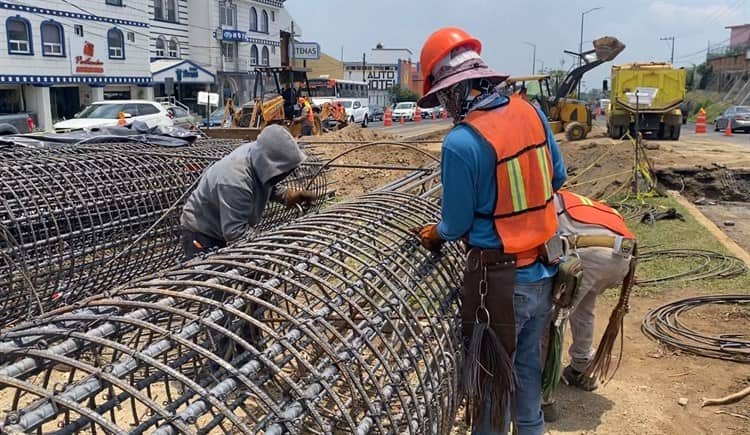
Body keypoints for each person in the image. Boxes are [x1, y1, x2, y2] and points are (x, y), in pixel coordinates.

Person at [412, 27, 567, 435]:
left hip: (497, 281)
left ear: (460, 90)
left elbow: (456, 223)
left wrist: (436, 234)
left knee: (489, 390)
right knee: (528, 377)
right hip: (544, 271)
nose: (445, 107)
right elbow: (558, 176)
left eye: (445, 97)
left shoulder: (462, 143)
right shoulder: (532, 113)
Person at [542, 190, 636, 421]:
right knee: (584, 307)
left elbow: (545, 242)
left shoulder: (548, 200)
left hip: (590, 254)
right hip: (622, 257)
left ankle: (542, 397)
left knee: (553, 320)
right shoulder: (583, 202)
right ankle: (582, 368)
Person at [180, 125, 316, 260]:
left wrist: (286, 195)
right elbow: (235, 232)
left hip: (223, 227)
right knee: (209, 278)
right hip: (203, 232)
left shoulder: (257, 154)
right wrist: (267, 250)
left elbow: (265, 181)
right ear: (269, 162)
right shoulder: (235, 179)